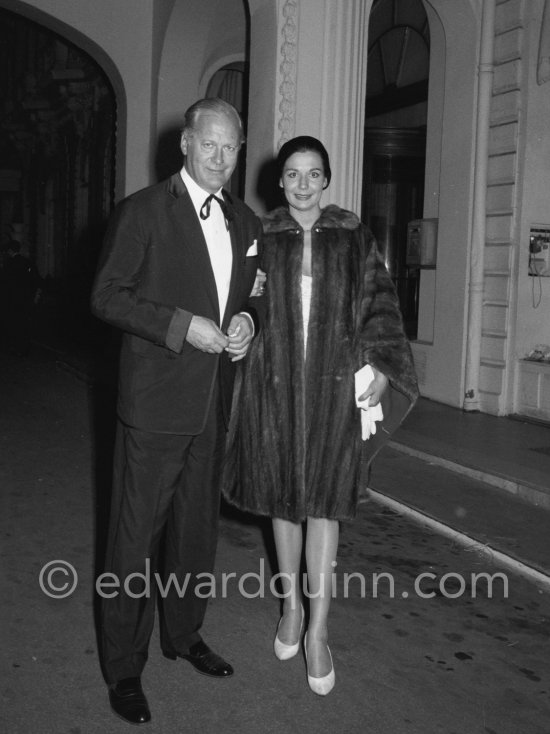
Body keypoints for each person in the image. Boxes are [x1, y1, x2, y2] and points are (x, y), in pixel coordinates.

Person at [223, 136, 418, 696]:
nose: (303, 184)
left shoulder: (353, 235)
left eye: (313, 174)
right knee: (282, 502)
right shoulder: (264, 237)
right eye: (293, 174)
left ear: (326, 180)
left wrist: (381, 363)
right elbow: (243, 299)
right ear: (278, 182)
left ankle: (318, 631)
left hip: (335, 388)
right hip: (274, 384)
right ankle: (289, 608)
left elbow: (379, 302)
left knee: (325, 505)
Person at [91, 98, 263, 725]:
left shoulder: (245, 222)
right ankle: (123, 667)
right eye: (210, 145)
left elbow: (248, 296)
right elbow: (106, 295)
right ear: (186, 144)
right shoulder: (142, 212)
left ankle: (184, 634)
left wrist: (245, 320)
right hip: (156, 402)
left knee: (195, 532)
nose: (221, 159)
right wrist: (178, 325)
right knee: (133, 540)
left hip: (213, 401)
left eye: (231, 148)